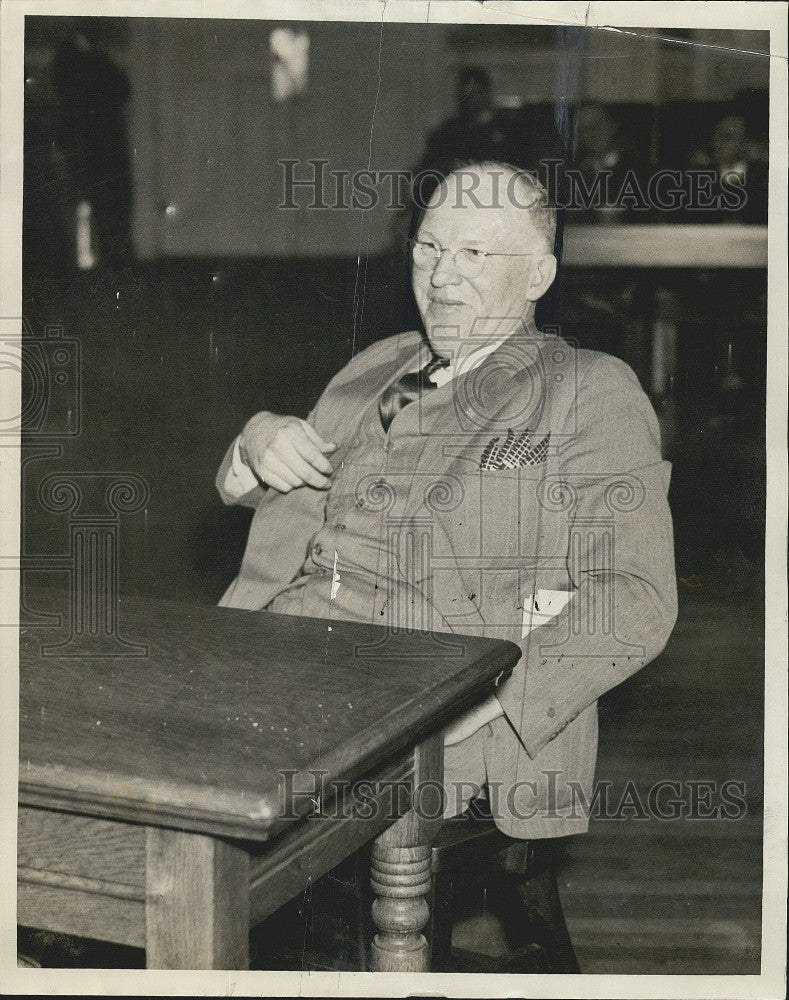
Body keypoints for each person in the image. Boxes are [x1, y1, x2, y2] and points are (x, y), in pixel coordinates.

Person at [216, 161, 677, 839]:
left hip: (438, 713)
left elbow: (634, 597)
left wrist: (475, 703)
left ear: (536, 276)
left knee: (192, 819)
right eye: (429, 247)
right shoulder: (380, 367)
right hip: (280, 664)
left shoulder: (584, 389)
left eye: (473, 253)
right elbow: (296, 494)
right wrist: (255, 441)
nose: (439, 277)